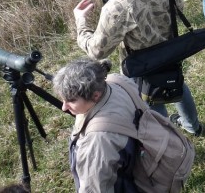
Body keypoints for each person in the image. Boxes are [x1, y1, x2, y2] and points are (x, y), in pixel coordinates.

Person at [73, 0, 202, 134]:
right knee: (178, 84)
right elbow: (179, 6)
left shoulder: (116, 7)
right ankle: (193, 125)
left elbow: (97, 51)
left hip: (143, 65)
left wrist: (81, 22)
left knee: (151, 101)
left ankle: (168, 136)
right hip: (171, 49)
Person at [53, 58, 193, 192]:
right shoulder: (117, 80)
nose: (64, 107)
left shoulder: (97, 142)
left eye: (71, 101)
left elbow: (96, 187)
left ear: (95, 96)